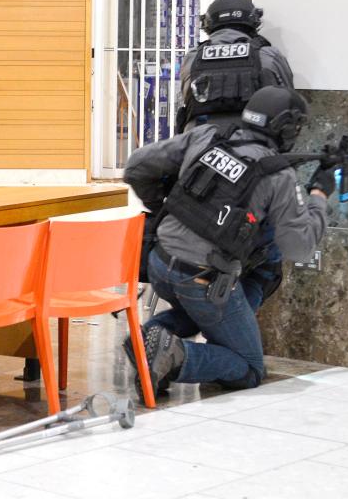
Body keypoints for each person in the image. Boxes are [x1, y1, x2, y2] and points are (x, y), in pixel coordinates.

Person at [124, 86, 334, 392]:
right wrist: (319, 196)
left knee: (196, 313)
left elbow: (136, 167)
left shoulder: (206, 137)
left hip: (158, 262)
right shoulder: (278, 175)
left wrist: (167, 208)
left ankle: (147, 343)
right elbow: (299, 247)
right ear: (286, 129)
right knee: (249, 368)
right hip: (200, 280)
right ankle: (175, 354)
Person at [175, 0, 295, 134]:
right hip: (254, 141)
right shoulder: (268, 55)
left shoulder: (192, 59)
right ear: (253, 22)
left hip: (199, 141)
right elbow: (288, 101)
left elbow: (188, 100)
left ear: (208, 25)